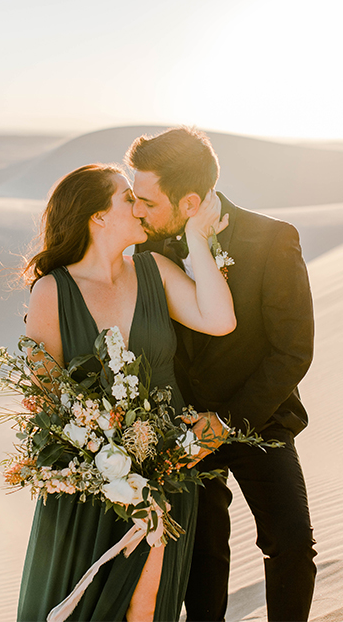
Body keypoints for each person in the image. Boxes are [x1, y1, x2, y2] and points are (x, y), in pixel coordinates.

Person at [17, 163, 236, 622]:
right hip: (91, 486)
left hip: (168, 468)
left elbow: (219, 320)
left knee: (150, 608)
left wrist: (198, 237)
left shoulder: (154, 269)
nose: (140, 207)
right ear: (97, 216)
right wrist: (105, 459)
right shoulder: (52, 292)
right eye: (126, 199)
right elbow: (46, 400)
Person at [130, 127, 317, 622]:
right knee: (202, 561)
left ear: (190, 201)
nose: (137, 211)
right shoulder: (142, 248)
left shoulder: (272, 239)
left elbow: (292, 351)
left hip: (261, 418)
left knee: (293, 544)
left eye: (146, 200)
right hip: (182, 429)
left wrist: (228, 421)